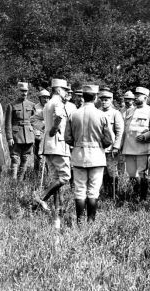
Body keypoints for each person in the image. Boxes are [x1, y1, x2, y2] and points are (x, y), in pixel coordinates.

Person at [65, 84, 114, 224]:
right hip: (97, 156)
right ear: (96, 97)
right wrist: (100, 145)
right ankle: (91, 222)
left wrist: (78, 144)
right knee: (93, 190)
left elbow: (67, 138)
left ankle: (80, 222)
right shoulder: (102, 115)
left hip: (79, 156)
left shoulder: (73, 114)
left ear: (83, 97)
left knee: (79, 190)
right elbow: (110, 139)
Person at [35, 78, 72, 229]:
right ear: (58, 90)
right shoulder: (57, 102)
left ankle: (57, 214)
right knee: (65, 177)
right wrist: (53, 129)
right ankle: (41, 197)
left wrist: (48, 130)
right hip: (58, 144)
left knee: (55, 179)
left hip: (48, 146)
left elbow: (37, 119)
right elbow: (58, 117)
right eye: (65, 90)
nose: (66, 93)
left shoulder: (48, 103)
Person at [121, 86, 150, 201]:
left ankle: (143, 198)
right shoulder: (129, 111)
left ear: (146, 97)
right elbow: (124, 129)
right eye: (135, 95)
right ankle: (134, 195)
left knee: (143, 174)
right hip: (129, 147)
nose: (136, 97)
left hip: (143, 147)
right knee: (131, 173)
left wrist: (145, 136)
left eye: (138, 95)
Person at [5, 82, 37, 181]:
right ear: (18, 91)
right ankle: (13, 181)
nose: (24, 93)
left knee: (25, 158)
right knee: (15, 158)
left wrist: (36, 134)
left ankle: (20, 180)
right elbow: (7, 123)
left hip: (29, 135)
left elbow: (35, 121)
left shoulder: (32, 105)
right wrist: (9, 137)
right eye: (22, 91)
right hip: (16, 136)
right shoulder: (12, 105)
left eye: (26, 91)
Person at [98, 89, 124, 198]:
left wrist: (116, 146)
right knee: (102, 172)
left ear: (111, 100)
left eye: (106, 100)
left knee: (112, 173)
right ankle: (105, 192)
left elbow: (119, 131)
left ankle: (114, 195)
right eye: (102, 100)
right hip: (99, 148)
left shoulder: (115, 113)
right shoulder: (97, 112)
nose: (104, 102)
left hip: (111, 149)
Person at [31, 89, 50, 172]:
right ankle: (36, 171)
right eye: (43, 97)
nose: (45, 99)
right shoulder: (35, 107)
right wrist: (41, 126)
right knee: (37, 154)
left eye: (47, 98)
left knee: (48, 155)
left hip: (48, 134)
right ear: (40, 98)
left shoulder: (50, 106)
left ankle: (48, 172)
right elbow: (32, 120)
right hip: (38, 134)